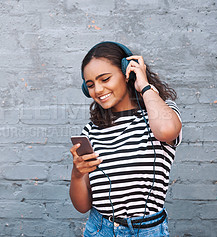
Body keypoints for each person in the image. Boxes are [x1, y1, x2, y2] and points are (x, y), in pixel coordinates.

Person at [69, 41, 182, 237]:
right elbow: (82, 206)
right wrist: (77, 174)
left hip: (148, 230)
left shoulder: (161, 113)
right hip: (100, 229)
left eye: (105, 79)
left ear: (127, 72)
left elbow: (166, 131)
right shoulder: (91, 131)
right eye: (91, 85)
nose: (98, 89)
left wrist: (144, 85)